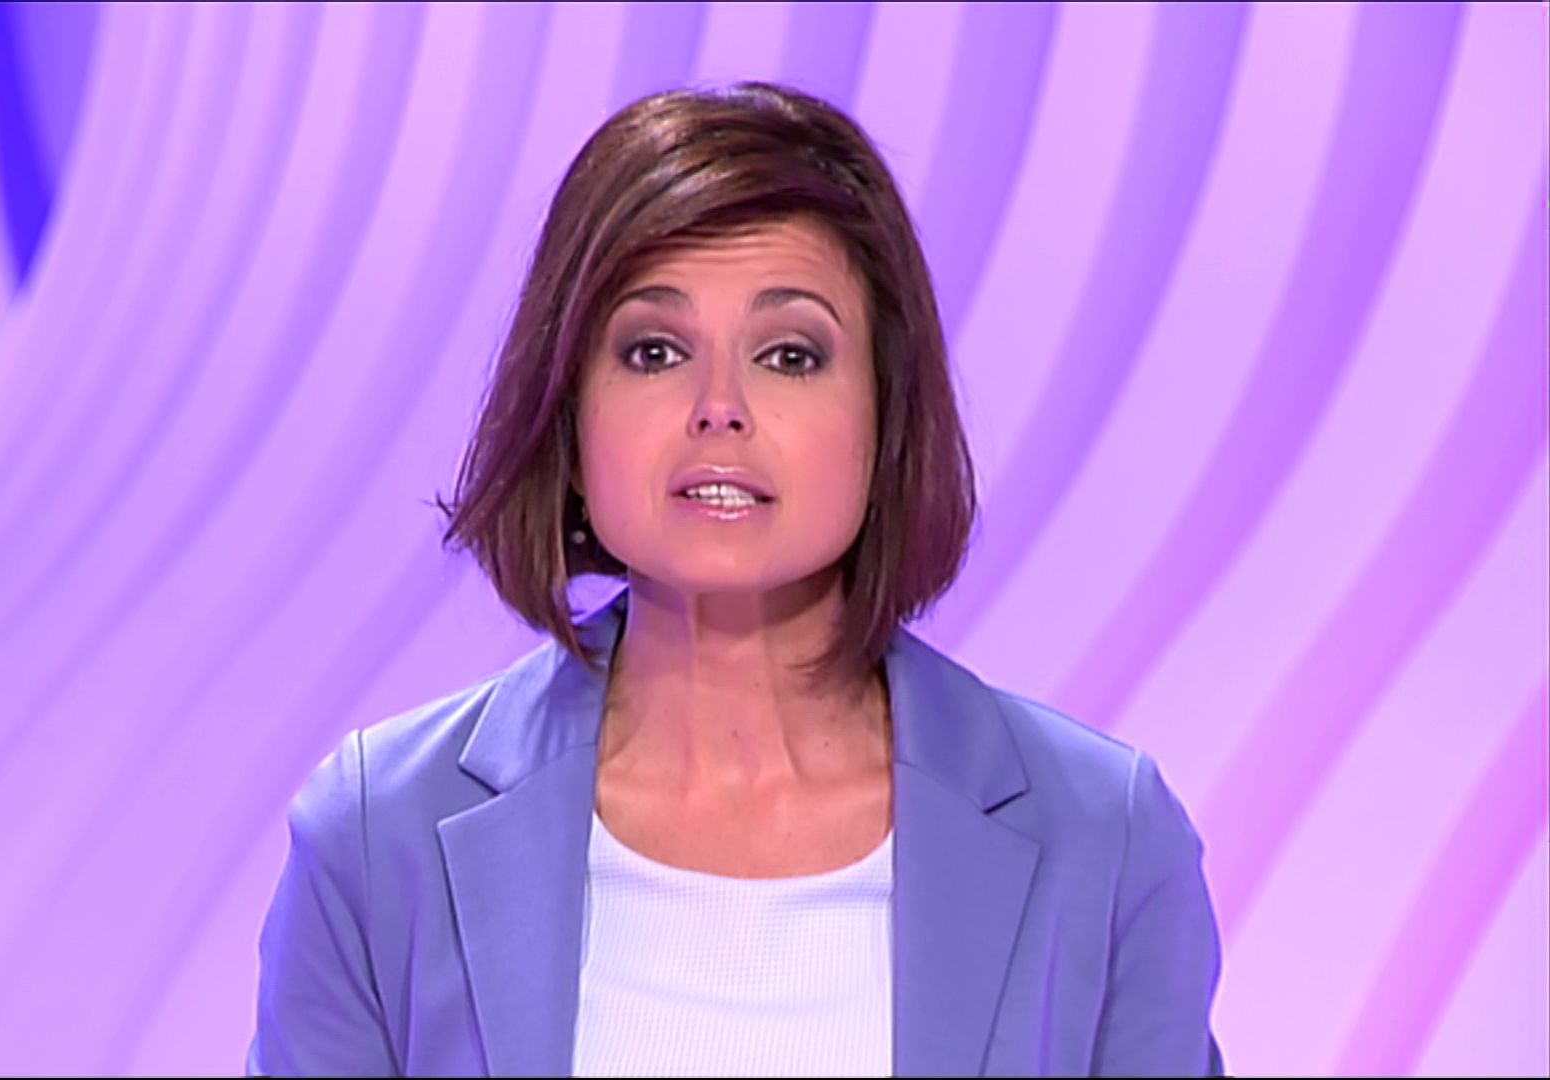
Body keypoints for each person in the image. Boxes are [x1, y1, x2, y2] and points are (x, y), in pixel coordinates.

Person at [248, 81, 1223, 1078]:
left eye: (789, 355)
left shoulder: (1105, 846)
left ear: (886, 420)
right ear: (570, 420)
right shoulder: (378, 842)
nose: (719, 407)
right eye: (654, 351)